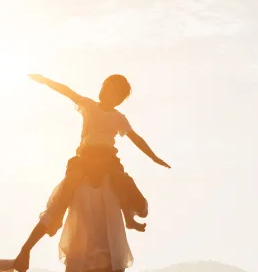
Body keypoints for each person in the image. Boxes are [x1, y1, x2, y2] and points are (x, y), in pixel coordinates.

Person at [29, 73, 169, 231]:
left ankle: (129, 218)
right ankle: (57, 217)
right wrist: (45, 81)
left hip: (108, 158)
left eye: (111, 90)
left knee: (120, 180)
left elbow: (136, 138)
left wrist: (154, 157)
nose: (105, 91)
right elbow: (67, 91)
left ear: (118, 100)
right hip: (86, 156)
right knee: (71, 181)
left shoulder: (119, 118)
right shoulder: (88, 105)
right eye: (105, 86)